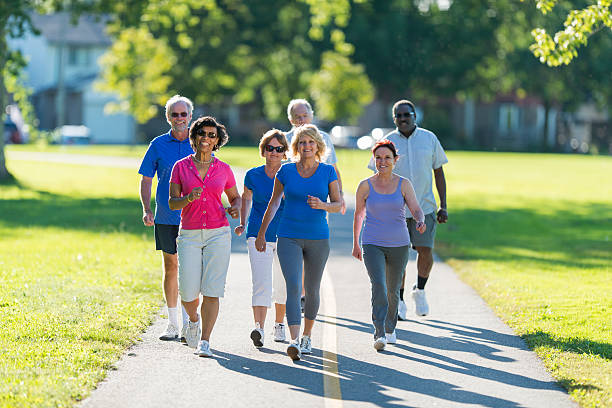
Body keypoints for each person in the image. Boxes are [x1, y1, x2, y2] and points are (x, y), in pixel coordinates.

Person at [255, 124, 342, 361]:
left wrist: (322, 205)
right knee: (293, 287)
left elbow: (338, 204)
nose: (306, 146)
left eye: (311, 142)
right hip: (288, 236)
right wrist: (262, 233)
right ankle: (293, 341)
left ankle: (306, 335)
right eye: (302, 142)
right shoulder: (285, 171)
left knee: (312, 289)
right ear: (296, 146)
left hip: (318, 238)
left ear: (318, 146)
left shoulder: (327, 172)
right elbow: (273, 204)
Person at [368, 99, 448, 318]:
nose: (403, 119)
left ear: (415, 115)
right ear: (394, 119)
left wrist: (444, 205)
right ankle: (400, 300)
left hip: (425, 207)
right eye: (398, 116)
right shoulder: (387, 142)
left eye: (407, 114)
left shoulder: (429, 138)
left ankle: (420, 291)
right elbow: (376, 175)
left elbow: (438, 173)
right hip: (395, 211)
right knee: (398, 256)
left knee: (426, 251)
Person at [169, 116, 240, 357]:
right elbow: (171, 203)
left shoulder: (224, 169)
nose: (206, 139)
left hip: (218, 233)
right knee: (188, 293)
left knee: (212, 289)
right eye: (202, 133)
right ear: (194, 136)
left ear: (218, 140)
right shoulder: (180, 167)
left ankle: (205, 341)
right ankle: (193, 319)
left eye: (212, 135)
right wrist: (188, 198)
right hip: (189, 234)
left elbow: (235, 197)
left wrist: (235, 208)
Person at [354, 140, 425, 350]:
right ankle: (379, 332)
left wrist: (420, 220)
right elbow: (359, 215)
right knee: (379, 285)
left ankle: (390, 328)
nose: (382, 161)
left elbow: (416, 208)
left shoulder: (404, 184)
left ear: (395, 160)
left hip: (399, 244)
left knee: (393, 290)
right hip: (372, 242)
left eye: (387, 158)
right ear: (373, 160)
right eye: (378, 157)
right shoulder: (365, 185)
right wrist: (356, 243)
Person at [138, 95, 194, 341]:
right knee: (171, 267)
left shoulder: (201, 142)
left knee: (192, 272)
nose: (179, 119)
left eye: (183, 114)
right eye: (175, 114)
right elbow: (146, 178)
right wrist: (146, 209)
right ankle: (173, 323)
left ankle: (190, 323)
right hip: (166, 216)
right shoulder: (158, 144)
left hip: (196, 218)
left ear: (190, 116)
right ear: (168, 117)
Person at [234, 129, 289, 347]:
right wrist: (241, 222)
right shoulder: (252, 175)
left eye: (279, 149)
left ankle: (279, 324)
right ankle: (259, 328)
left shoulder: (290, 174)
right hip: (257, 234)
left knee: (283, 284)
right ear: (263, 150)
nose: (274, 152)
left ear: (284, 152)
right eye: (270, 148)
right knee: (261, 282)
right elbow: (246, 199)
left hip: (286, 235)